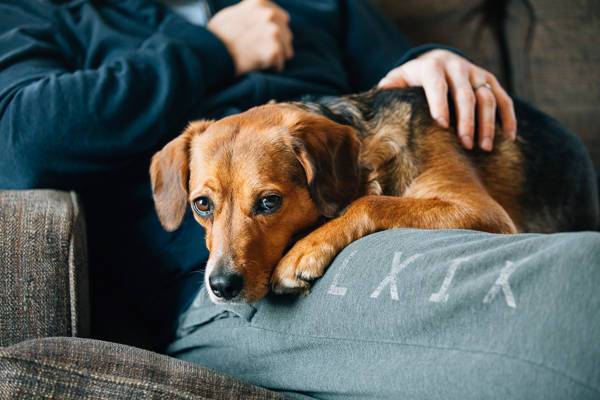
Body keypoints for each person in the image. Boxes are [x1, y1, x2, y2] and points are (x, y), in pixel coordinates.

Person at [0, 1, 598, 398]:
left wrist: (435, 61)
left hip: (348, 196)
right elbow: (23, 141)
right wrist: (211, 49)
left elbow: (394, 90)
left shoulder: (316, 3)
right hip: (210, 297)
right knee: (578, 287)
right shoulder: (46, 12)